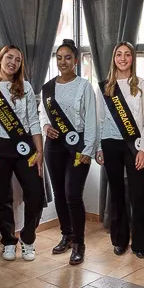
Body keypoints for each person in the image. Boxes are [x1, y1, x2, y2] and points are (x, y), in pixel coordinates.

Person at [40, 39, 97, 265]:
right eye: (59, 57)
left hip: (78, 145)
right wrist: (45, 126)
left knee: (73, 194)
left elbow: (91, 119)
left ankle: (79, 244)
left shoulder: (84, 86)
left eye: (68, 58)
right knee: (61, 194)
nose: (63, 62)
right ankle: (66, 235)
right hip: (53, 146)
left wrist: (89, 149)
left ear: (75, 60)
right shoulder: (48, 87)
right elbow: (42, 113)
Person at [0, 45, 45, 263]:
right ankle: (8, 241)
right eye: (9, 57)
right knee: (1, 197)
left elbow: (33, 121)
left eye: (18, 60)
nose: (13, 62)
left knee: (36, 193)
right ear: (0, 59)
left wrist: (40, 151)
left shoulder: (25, 87)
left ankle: (27, 239)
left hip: (24, 147)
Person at [96, 41, 144, 258]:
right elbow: (100, 119)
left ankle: (140, 243)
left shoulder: (143, 86)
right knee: (117, 193)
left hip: (135, 145)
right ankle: (119, 240)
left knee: (137, 195)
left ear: (133, 58)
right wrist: (99, 147)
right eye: (118, 54)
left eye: (127, 54)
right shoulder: (104, 87)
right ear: (113, 58)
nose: (122, 58)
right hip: (110, 144)